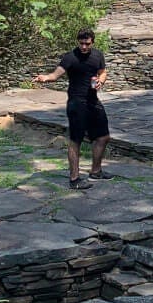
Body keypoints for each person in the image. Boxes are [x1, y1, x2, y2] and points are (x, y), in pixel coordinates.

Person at [34, 30, 111, 190]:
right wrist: (46, 77)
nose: (83, 46)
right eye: (81, 43)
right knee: (76, 141)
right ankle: (74, 179)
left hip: (93, 102)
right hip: (76, 103)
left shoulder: (98, 55)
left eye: (87, 44)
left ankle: (96, 171)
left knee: (103, 137)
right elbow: (56, 74)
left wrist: (100, 81)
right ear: (78, 42)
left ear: (92, 42)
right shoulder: (70, 57)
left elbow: (102, 72)